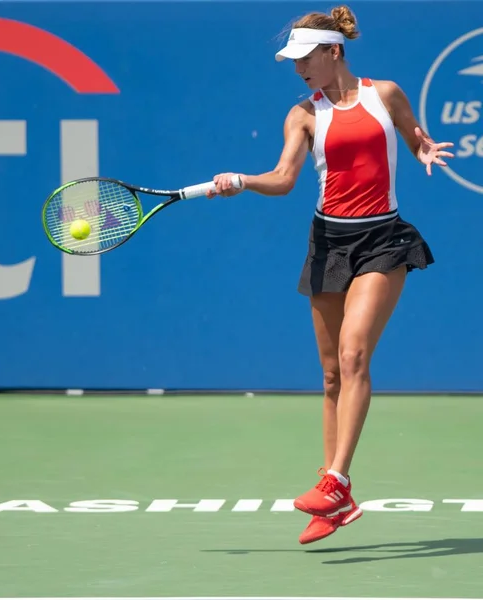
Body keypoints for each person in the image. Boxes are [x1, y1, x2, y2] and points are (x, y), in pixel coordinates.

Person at [207, 5, 454, 545]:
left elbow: (415, 139)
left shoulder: (384, 93)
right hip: (328, 244)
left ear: (333, 51)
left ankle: (337, 481)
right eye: (294, 61)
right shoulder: (303, 114)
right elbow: (284, 178)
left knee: (354, 353)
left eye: (305, 58)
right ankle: (336, 498)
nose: (299, 69)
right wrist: (244, 180)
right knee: (330, 377)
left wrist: (426, 148)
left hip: (384, 239)